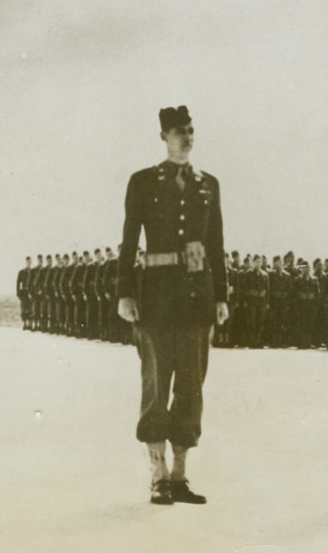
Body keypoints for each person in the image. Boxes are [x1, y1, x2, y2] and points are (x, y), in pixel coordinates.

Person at [117, 105, 228, 506]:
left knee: (191, 389)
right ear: (164, 137)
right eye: (179, 132)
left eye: (192, 131)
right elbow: (130, 240)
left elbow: (215, 243)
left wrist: (221, 296)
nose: (187, 137)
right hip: (156, 300)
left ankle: (180, 475)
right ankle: (158, 473)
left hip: (197, 298)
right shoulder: (144, 181)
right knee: (156, 386)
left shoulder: (208, 184)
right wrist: (125, 292)